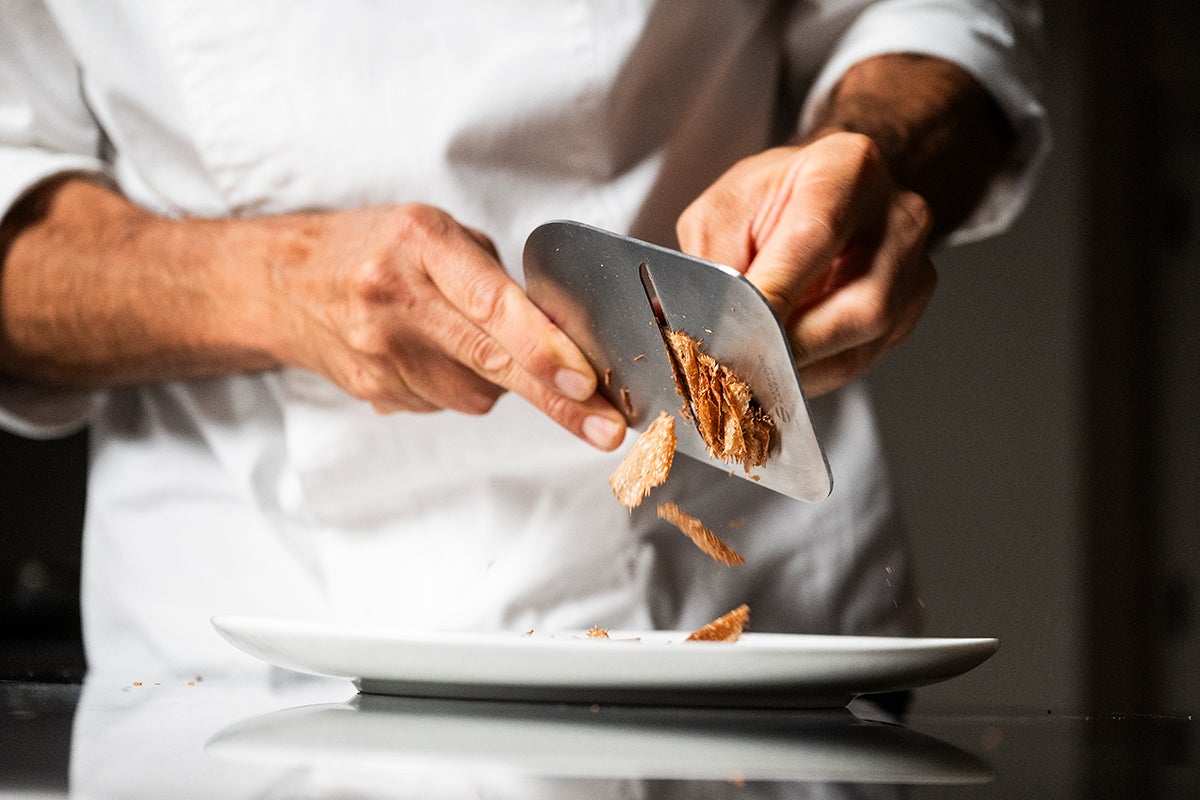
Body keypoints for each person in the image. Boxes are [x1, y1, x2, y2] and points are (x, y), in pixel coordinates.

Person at [0, 1, 1048, 677]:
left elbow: (937, 21)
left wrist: (876, 153)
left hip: (742, 629)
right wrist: (266, 284)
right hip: (251, 659)